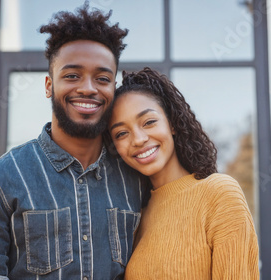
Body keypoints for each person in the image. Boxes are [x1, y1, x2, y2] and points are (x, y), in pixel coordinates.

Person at [0, 4, 148, 280]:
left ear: (113, 87)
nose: (88, 88)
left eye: (102, 78)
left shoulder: (136, 177)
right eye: (72, 75)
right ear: (49, 85)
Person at [107, 67, 260, 279]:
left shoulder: (219, 194)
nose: (139, 139)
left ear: (172, 123)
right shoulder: (134, 216)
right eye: (121, 133)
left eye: (149, 122)